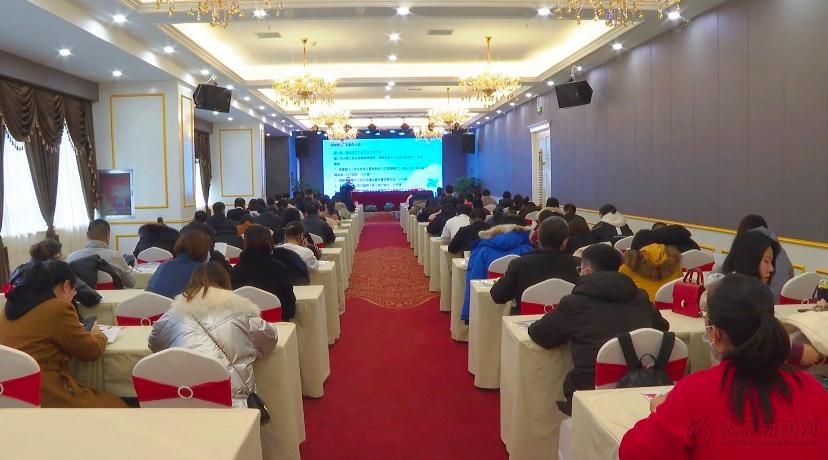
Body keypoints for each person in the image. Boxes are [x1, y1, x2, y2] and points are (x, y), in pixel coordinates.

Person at [620, 274, 828, 458]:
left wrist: (660, 412)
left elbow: (634, 452)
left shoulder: (695, 393)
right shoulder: (812, 390)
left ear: (715, 333)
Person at [528, 244, 668, 415]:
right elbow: (661, 328)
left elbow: (540, 335)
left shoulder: (575, 304)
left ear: (586, 271)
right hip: (641, 388)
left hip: (590, 392)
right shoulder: (640, 298)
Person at [148, 263, 277, 408]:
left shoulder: (172, 315)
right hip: (234, 402)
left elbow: (154, 344)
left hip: (183, 397)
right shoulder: (242, 311)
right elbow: (270, 339)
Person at [0, 260, 126, 408]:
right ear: (66, 286)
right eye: (74, 290)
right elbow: (91, 351)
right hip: (44, 389)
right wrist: (98, 334)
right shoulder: (57, 308)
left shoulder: (7, 309)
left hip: (10, 389)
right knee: (117, 407)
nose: (74, 295)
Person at [490, 217, 579, 310]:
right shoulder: (579, 266)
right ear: (565, 241)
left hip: (525, 318)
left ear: (539, 237)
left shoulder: (520, 264)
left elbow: (498, 296)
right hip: (568, 318)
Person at [460, 223, 534, 321]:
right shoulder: (528, 250)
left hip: (488, 299)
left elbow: (474, 280)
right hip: (518, 304)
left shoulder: (482, 251)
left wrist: (468, 314)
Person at [230, 225, 297, 320]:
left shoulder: (234, 272)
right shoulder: (279, 269)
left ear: (245, 243)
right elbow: (289, 309)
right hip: (278, 325)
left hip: (243, 326)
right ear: (270, 243)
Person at [8, 239, 100, 307]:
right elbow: (92, 298)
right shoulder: (60, 271)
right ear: (56, 257)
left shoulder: (19, 271)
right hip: (59, 320)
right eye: (61, 255)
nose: (63, 258)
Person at [729, 215, 795, 302]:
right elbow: (791, 274)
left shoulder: (748, 251)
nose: (771, 269)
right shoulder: (781, 252)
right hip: (783, 305)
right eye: (766, 261)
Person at [68, 219, 135, 288]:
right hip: (113, 294)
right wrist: (129, 269)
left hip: (82, 294)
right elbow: (130, 283)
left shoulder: (72, 257)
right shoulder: (115, 256)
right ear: (108, 236)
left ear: (87, 235)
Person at [618, 230, 683, 302]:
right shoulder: (674, 262)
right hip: (670, 305)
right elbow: (681, 284)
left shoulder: (629, 266)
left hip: (642, 305)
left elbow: (620, 291)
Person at [145, 230, 211, 299]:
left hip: (153, 304)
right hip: (182, 305)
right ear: (204, 250)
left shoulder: (165, 264)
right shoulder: (203, 271)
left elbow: (149, 290)